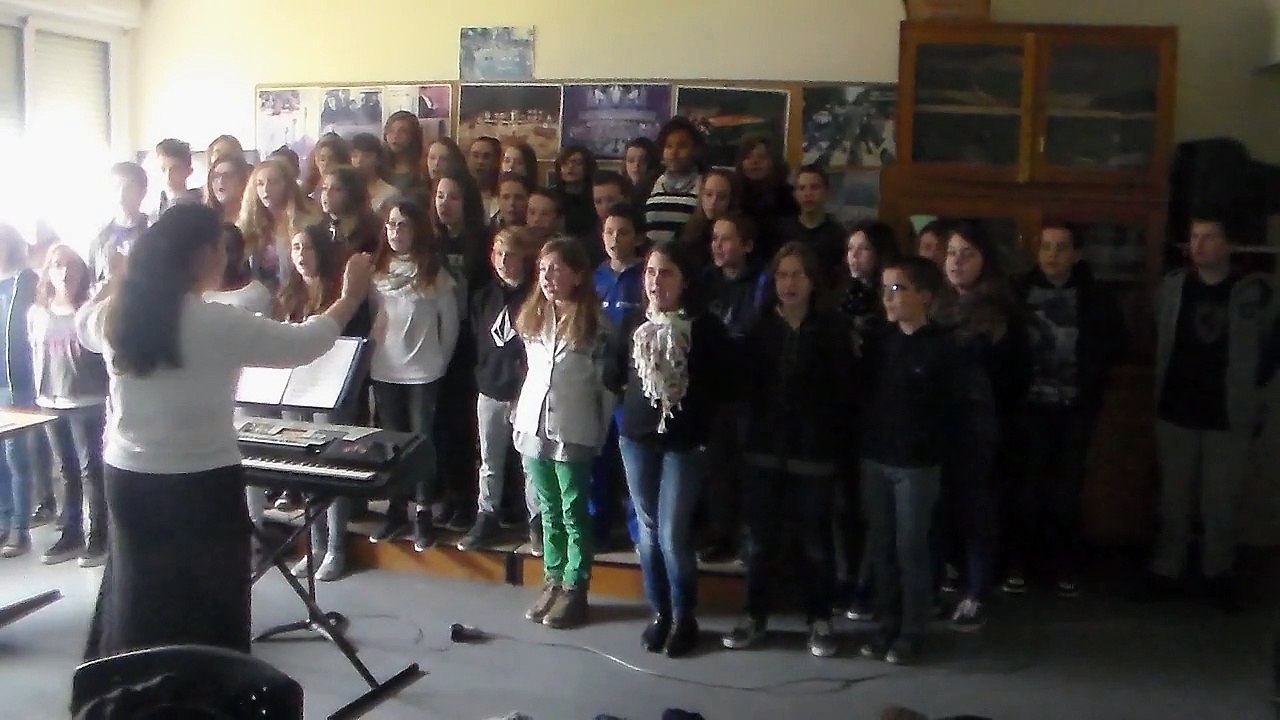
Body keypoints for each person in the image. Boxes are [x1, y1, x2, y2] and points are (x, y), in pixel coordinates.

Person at [75, 203, 372, 660]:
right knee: (208, 594)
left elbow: (82, 326)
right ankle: (207, 688)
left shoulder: (117, 315)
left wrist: (117, 279)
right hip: (201, 479)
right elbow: (303, 344)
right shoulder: (214, 321)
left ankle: (135, 688)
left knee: (139, 589)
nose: (225, 257)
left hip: (130, 476)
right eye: (219, 247)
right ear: (197, 255)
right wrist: (349, 297)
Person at [721, 242, 854, 659]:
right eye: (782, 275)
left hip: (813, 453)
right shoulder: (758, 327)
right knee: (759, 541)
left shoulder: (831, 329)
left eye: (798, 274)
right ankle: (754, 616)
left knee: (816, 542)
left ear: (813, 281)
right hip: (763, 450)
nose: (789, 283)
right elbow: (742, 390)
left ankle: (820, 618)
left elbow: (842, 394)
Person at [858, 257, 992, 666]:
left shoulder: (942, 346)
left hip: (917, 462)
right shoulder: (880, 340)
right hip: (877, 456)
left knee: (911, 547)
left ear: (924, 297)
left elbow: (953, 410)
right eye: (886, 289)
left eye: (898, 289)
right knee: (880, 546)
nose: (889, 297)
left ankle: (912, 629)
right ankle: (886, 623)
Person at [1137, 213, 1272, 610]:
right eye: (1194, 237)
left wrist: (1253, 391)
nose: (1199, 245)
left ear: (1228, 244)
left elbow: (1270, 344)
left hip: (1228, 413)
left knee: (1221, 502)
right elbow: (1154, 327)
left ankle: (1218, 573)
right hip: (1176, 407)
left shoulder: (1251, 292)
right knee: (1173, 499)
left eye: (1209, 237)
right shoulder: (1174, 288)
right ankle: (1167, 569)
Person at [610, 239, 728, 658]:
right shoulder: (635, 323)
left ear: (685, 280)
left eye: (666, 273)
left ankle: (684, 617)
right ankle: (658, 613)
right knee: (646, 531)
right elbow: (613, 374)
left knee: (673, 534)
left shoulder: (705, 328)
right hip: (637, 440)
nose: (656, 281)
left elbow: (720, 389)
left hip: (685, 444)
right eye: (650, 273)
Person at [1011, 222, 1126, 597]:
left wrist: (1091, 380)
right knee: (1028, 488)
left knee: (1067, 491)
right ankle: (1022, 565)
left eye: (1061, 247)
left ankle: (1065, 566)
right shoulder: (1018, 291)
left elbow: (1114, 344)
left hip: (1075, 407)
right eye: (1045, 246)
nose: (1052, 254)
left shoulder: (1095, 296)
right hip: (1029, 406)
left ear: (1076, 254)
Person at [513, 237, 616, 630]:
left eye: (556, 268)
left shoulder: (596, 322)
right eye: (543, 269)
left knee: (574, 512)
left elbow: (605, 388)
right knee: (548, 509)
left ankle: (576, 586)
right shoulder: (533, 315)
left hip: (574, 427)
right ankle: (552, 579)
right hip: (533, 425)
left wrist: (599, 431)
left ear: (577, 274)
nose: (548, 276)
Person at [936, 222, 1031, 630]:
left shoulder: (999, 315)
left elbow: (1014, 379)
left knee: (979, 513)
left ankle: (977, 592)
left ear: (985, 261)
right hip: (939, 429)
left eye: (967, 253)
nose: (956, 261)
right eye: (952, 252)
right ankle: (944, 583)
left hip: (983, 431)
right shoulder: (936, 305)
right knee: (942, 512)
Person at [366, 199, 460, 551]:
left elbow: (449, 326)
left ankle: (423, 512)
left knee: (420, 442)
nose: (395, 232)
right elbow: (375, 319)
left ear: (417, 229)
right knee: (390, 441)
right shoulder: (376, 271)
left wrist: (439, 363)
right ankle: (394, 507)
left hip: (423, 370)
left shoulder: (434, 273)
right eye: (390, 225)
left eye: (403, 225)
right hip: (385, 368)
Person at [457, 227, 539, 551]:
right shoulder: (483, 297)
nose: (505, 260)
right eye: (499, 253)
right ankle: (487, 515)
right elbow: (478, 341)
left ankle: (537, 522)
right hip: (490, 389)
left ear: (525, 258)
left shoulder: (535, 297)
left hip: (525, 392)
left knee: (530, 461)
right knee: (489, 459)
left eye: (512, 254)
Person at [28, 244, 109, 566]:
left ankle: (98, 537)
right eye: (58, 265)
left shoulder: (90, 308)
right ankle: (71, 533)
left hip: (88, 399)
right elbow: (36, 355)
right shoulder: (38, 313)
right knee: (67, 472)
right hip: (51, 401)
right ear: (48, 272)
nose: (65, 272)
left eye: (71, 265)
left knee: (92, 471)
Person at [836, 219, 899, 619]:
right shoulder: (838, 297)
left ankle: (869, 582)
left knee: (873, 508)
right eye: (850, 249)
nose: (855, 257)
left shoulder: (890, 299)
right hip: (841, 412)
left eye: (863, 249)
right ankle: (845, 579)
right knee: (842, 505)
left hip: (876, 414)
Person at [697, 212, 767, 562]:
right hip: (714, 390)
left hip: (749, 390)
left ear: (747, 245)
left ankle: (748, 537)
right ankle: (720, 533)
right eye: (714, 238)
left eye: (726, 239)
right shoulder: (706, 281)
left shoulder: (761, 282)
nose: (718, 246)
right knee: (718, 470)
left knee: (747, 469)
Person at [590, 203, 644, 551]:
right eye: (609, 231)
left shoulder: (644, 277)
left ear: (637, 237)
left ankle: (639, 533)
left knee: (633, 466)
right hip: (596, 383)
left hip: (632, 387)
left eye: (622, 232)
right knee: (598, 459)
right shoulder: (595, 276)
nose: (614, 238)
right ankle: (597, 527)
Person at [0, 226, 36, 557]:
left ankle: (20, 529)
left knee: (17, 458)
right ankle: (3, 521)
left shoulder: (26, 281)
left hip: (16, 382)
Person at [238, 157, 320, 291]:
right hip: (257, 298)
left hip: (296, 295)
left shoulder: (308, 224)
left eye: (274, 182)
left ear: (287, 185)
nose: (266, 189)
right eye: (260, 183)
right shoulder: (248, 224)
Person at [777, 164, 846, 288]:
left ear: (826, 192)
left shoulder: (838, 234)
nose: (808, 193)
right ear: (795, 194)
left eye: (814, 187)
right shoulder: (782, 231)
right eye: (802, 188)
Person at [734, 136, 798, 262]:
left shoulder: (789, 196)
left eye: (761, 157)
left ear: (774, 161)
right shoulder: (733, 194)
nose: (754, 162)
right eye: (748, 157)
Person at [644, 118, 705, 245]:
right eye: (669, 146)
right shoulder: (651, 181)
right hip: (651, 259)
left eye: (682, 146)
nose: (674, 153)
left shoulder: (705, 183)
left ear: (695, 150)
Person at [88, 162, 149, 288]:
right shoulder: (100, 238)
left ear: (142, 192)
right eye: (116, 188)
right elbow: (93, 282)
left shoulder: (154, 232)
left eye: (128, 188)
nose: (121, 196)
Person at [678, 169, 738, 272]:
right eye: (708, 194)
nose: (713, 202)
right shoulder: (689, 229)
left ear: (731, 200)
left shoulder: (737, 230)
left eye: (722, 197)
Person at [320, 165, 380, 260]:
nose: (327, 194)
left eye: (337, 189)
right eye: (324, 188)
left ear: (353, 194)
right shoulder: (320, 231)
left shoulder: (370, 234)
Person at [550, 145, 598, 240]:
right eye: (565, 163)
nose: (570, 167)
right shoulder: (551, 195)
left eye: (577, 163)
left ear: (587, 167)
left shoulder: (595, 195)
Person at [350, 132, 398, 213]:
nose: (359, 161)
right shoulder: (344, 189)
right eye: (355, 156)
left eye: (366, 156)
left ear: (378, 160)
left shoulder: (390, 193)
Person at [153, 138, 201, 218]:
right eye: (163, 169)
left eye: (175, 169)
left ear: (188, 171)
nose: (168, 176)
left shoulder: (199, 210)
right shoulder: (153, 214)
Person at [384, 111, 426, 194]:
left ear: (413, 136)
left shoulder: (423, 168)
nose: (395, 136)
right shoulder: (379, 164)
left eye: (403, 131)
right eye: (391, 131)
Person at [301, 133, 352, 200]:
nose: (326, 164)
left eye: (332, 159)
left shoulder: (349, 191)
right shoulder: (311, 188)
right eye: (322, 159)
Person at [204, 154, 251, 225]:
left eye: (228, 176)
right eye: (216, 176)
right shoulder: (203, 220)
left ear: (243, 180)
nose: (220, 181)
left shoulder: (255, 219)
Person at [468, 136, 503, 217]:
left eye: (486, 157)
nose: (480, 162)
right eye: (475, 156)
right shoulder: (459, 195)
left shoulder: (503, 197)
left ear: (496, 162)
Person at [623, 137, 658, 206]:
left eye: (642, 161)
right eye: (631, 160)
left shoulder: (657, 189)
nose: (636, 165)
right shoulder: (620, 189)